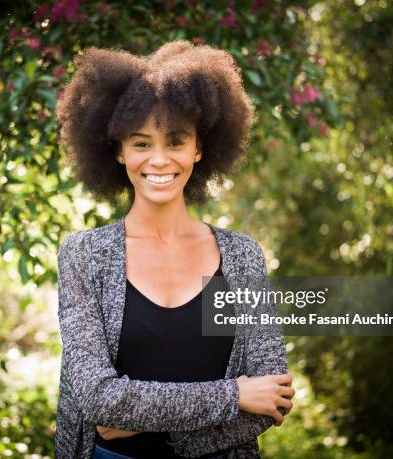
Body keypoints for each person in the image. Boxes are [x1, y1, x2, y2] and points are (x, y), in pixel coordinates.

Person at [54, 40, 294, 459]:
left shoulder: (242, 257)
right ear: (118, 150)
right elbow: (97, 399)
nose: (160, 160)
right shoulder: (83, 256)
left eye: (176, 141)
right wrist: (235, 395)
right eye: (141, 143)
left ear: (199, 148)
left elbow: (272, 398)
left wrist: (137, 418)